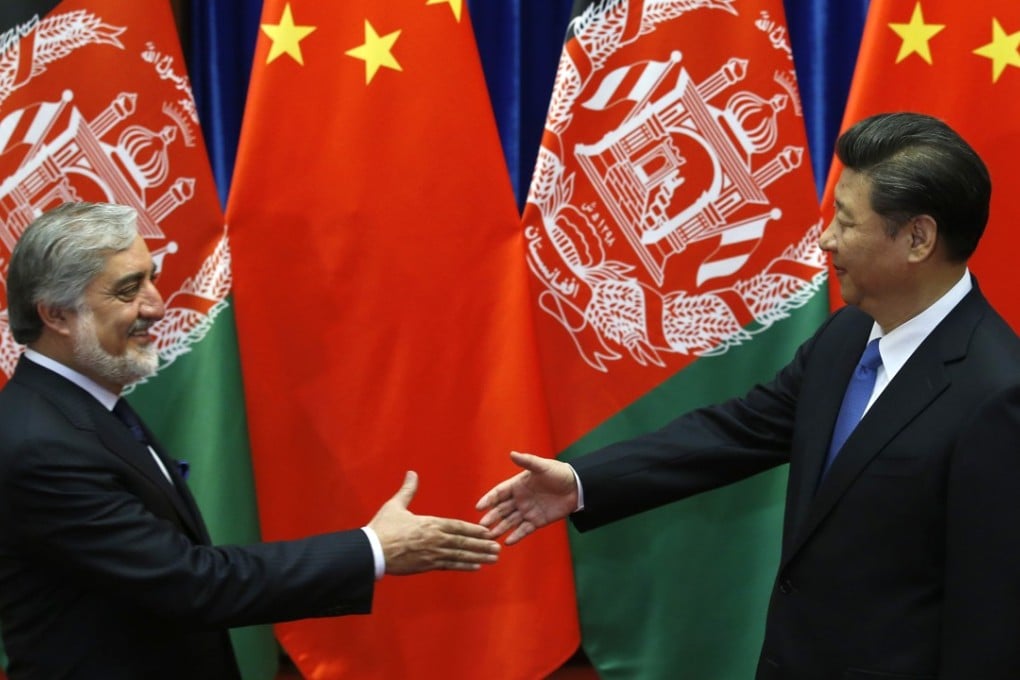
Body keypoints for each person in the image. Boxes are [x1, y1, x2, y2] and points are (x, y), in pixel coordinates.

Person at [477, 112, 1020, 679]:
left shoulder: (997, 396)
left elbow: (991, 620)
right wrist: (582, 482)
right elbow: (738, 431)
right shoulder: (847, 334)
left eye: (845, 221)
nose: (826, 239)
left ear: (918, 239)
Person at [0, 202, 501, 680]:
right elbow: (190, 583)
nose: (156, 304)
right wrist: (374, 548)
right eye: (128, 289)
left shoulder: (83, 407)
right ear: (56, 315)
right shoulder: (40, 443)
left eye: (152, 278)